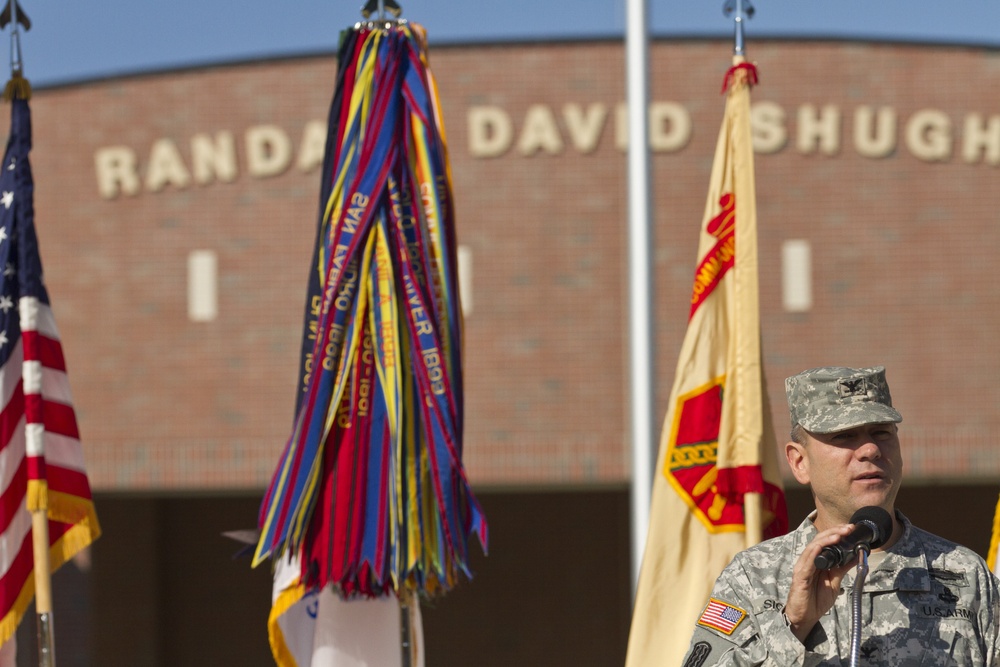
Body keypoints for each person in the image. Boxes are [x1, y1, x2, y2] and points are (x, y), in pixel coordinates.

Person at [681, 366, 1000, 666]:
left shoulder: (964, 575)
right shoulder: (752, 577)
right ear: (799, 462)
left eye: (881, 432)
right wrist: (792, 624)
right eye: (844, 436)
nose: (870, 450)